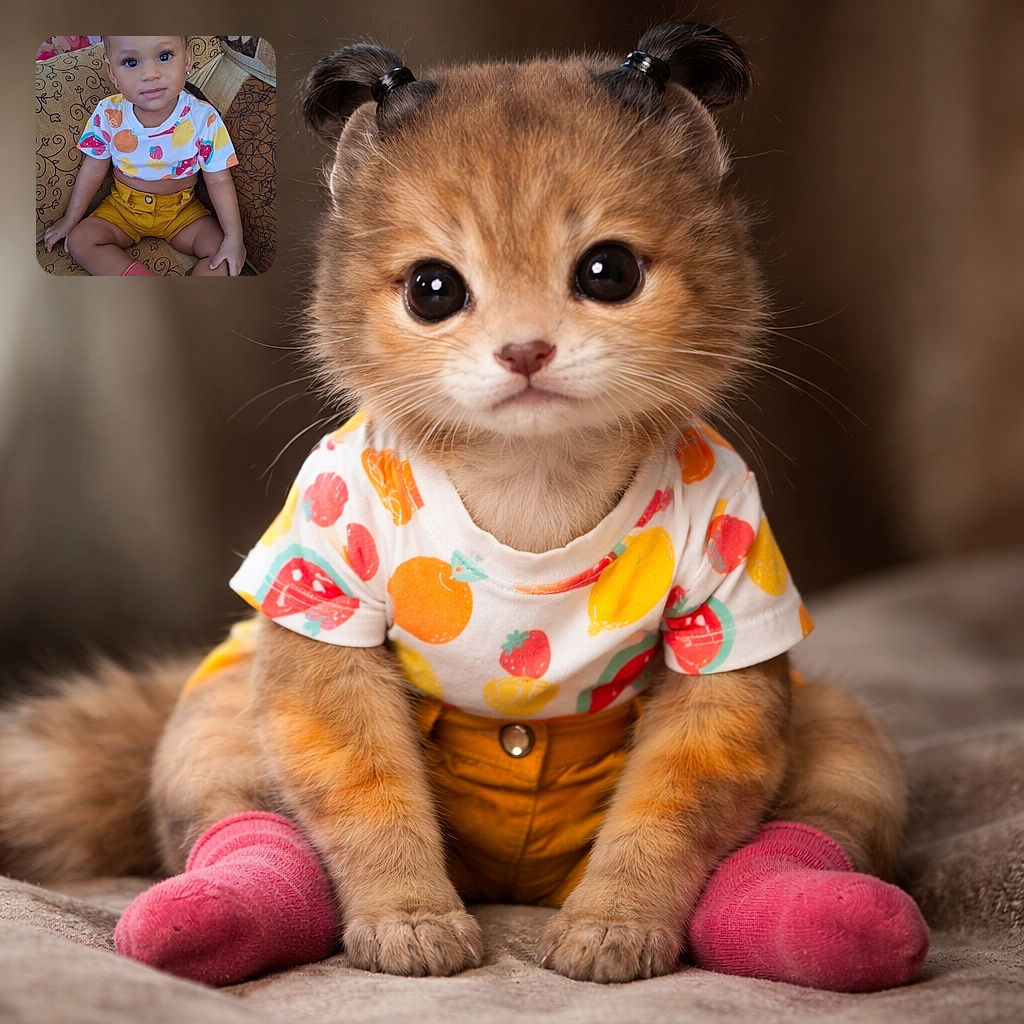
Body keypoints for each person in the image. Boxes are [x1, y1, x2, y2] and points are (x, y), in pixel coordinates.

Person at [43, 36, 246, 276]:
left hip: (183, 212)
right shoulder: (108, 113)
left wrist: (235, 236)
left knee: (222, 255)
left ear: (188, 58)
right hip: (122, 209)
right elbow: (93, 169)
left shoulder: (204, 117)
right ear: (112, 73)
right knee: (79, 240)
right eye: (131, 62)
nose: (150, 74)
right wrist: (70, 219)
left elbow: (219, 180)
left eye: (164, 56)